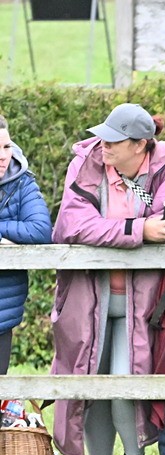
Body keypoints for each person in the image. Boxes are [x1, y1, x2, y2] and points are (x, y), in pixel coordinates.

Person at [51, 103, 165, 455]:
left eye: (114, 141)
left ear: (139, 144)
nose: (104, 145)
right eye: (103, 137)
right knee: (90, 383)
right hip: (86, 296)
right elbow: (71, 224)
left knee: (125, 380)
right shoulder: (86, 161)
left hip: (146, 301)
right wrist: (138, 231)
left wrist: (117, 229)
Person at [0, 115, 53, 375]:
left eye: (6, 146)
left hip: (2, 311)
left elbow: (40, 230)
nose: (3, 156)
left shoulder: (21, 181)